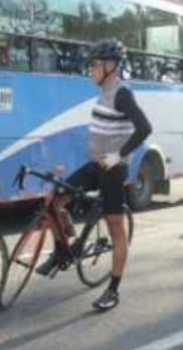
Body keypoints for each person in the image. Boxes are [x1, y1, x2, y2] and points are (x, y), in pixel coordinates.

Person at [35, 38, 152, 312]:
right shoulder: (103, 90)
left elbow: (144, 128)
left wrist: (118, 155)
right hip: (94, 165)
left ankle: (113, 290)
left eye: (95, 65)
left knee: (115, 226)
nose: (91, 70)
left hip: (113, 169)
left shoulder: (122, 93)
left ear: (111, 66)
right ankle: (63, 251)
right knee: (54, 199)